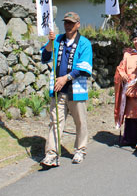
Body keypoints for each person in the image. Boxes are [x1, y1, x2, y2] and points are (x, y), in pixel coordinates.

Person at [40, 12, 93, 167]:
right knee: (55, 122)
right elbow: (45, 57)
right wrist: (50, 42)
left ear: (78, 24)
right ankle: (51, 154)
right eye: (66, 23)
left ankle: (80, 150)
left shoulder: (84, 43)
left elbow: (84, 67)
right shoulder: (57, 39)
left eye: (71, 23)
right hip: (58, 90)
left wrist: (66, 78)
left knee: (80, 122)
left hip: (76, 90)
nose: (68, 26)